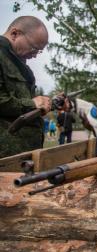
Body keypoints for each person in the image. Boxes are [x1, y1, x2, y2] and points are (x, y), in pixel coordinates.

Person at [0, 16, 50, 158]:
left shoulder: (16, 61)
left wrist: (43, 105)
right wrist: (32, 104)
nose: (35, 56)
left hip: (23, 152)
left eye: (38, 51)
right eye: (34, 48)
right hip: (6, 155)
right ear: (15, 34)